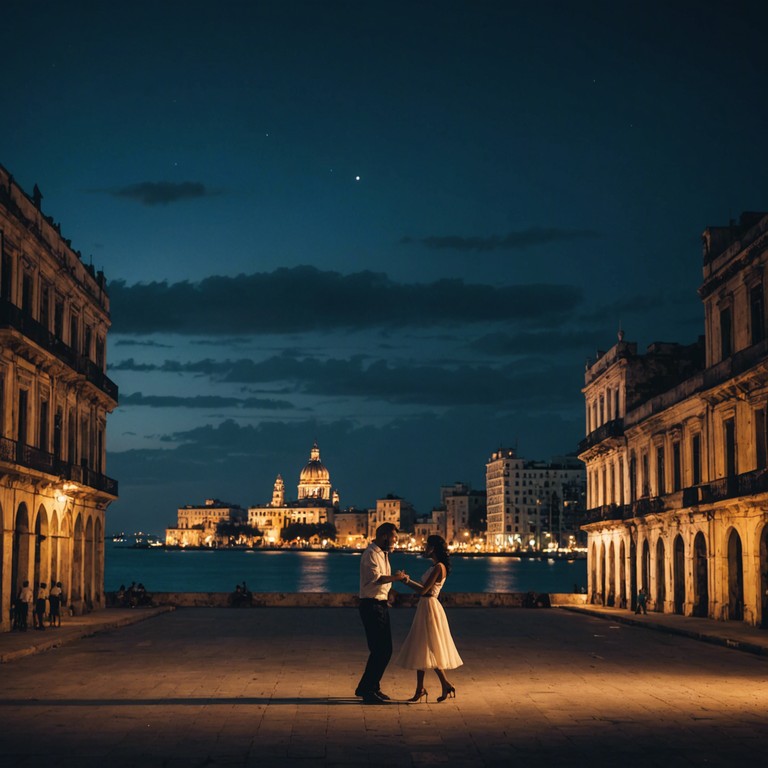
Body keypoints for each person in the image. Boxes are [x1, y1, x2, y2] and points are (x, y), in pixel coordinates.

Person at [396, 534, 463, 703]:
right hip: (426, 606)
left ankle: (440, 685)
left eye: (427, 545)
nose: (424, 548)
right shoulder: (436, 566)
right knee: (423, 647)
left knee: (428, 646)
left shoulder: (438, 567)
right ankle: (423, 688)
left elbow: (424, 590)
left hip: (429, 607)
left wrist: (406, 580)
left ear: (433, 548)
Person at [355, 522, 408, 704]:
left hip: (380, 604)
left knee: (383, 649)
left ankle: (370, 687)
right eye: (394, 537)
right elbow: (376, 579)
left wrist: (390, 593)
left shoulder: (383, 554)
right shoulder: (370, 554)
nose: (395, 541)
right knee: (381, 650)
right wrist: (397, 578)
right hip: (371, 606)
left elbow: (382, 583)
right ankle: (367, 689)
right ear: (384, 536)